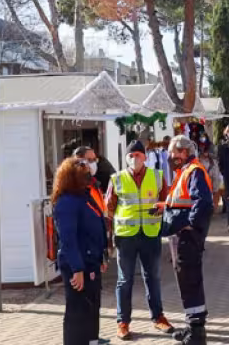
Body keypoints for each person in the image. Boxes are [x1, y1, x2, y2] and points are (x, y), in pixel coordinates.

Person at [106, 141, 174, 340]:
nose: (134, 158)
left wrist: (163, 215)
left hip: (150, 234)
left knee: (152, 277)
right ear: (126, 158)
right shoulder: (117, 179)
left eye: (138, 154)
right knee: (125, 280)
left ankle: (158, 317)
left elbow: (167, 203)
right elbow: (108, 209)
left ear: (145, 157)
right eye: (131, 155)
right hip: (126, 236)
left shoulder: (157, 176)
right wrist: (109, 238)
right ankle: (123, 322)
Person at [162, 135, 214, 345]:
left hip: (188, 236)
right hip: (182, 234)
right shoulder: (185, 171)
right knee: (186, 281)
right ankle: (191, 326)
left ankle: (196, 333)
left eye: (173, 153)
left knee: (190, 281)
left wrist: (190, 225)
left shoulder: (194, 171)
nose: (170, 157)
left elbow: (203, 203)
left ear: (183, 152)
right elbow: (181, 201)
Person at [53, 156, 109, 345]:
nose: (89, 175)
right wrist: (77, 269)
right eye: (84, 172)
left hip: (91, 260)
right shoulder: (67, 202)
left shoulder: (84, 197)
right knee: (78, 311)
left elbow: (97, 228)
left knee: (91, 308)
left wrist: (102, 256)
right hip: (79, 265)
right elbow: (68, 239)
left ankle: (91, 340)